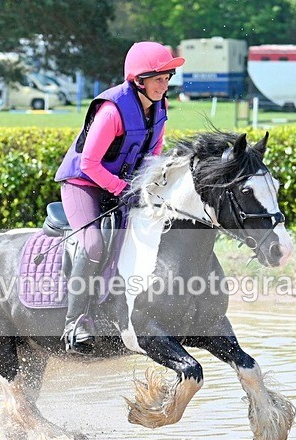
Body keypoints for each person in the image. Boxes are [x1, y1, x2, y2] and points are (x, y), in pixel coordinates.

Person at [54, 41, 185, 353]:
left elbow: (152, 155)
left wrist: (153, 183)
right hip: (83, 185)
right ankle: (75, 323)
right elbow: (89, 164)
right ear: (139, 80)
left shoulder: (160, 108)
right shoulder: (112, 111)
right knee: (93, 244)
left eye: (167, 78)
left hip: (120, 187)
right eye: (158, 79)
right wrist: (124, 189)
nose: (164, 85)